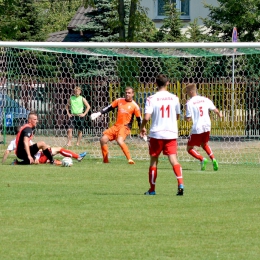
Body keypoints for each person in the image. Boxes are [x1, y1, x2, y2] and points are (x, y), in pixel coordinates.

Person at [140, 74, 184, 196]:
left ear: (155, 84)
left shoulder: (151, 98)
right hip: (171, 133)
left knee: (154, 161)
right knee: (173, 159)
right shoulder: (174, 98)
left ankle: (152, 189)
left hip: (156, 134)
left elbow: (147, 117)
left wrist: (142, 127)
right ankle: (180, 183)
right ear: (168, 83)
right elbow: (177, 116)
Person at [91, 86, 143, 164]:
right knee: (103, 140)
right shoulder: (119, 100)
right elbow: (109, 108)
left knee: (119, 140)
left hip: (125, 127)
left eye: (129, 93)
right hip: (116, 126)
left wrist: (141, 130)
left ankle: (130, 159)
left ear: (133, 94)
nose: (127, 94)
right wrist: (99, 113)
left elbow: (139, 119)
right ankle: (105, 161)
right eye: (126, 93)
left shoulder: (134, 106)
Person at [184, 83, 222, 171]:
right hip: (207, 126)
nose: (187, 94)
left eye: (187, 92)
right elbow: (215, 110)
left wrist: (185, 114)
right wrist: (220, 114)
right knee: (204, 144)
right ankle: (213, 159)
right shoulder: (205, 99)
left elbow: (188, 119)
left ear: (191, 91)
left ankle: (202, 159)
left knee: (189, 148)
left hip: (197, 128)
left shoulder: (190, 103)